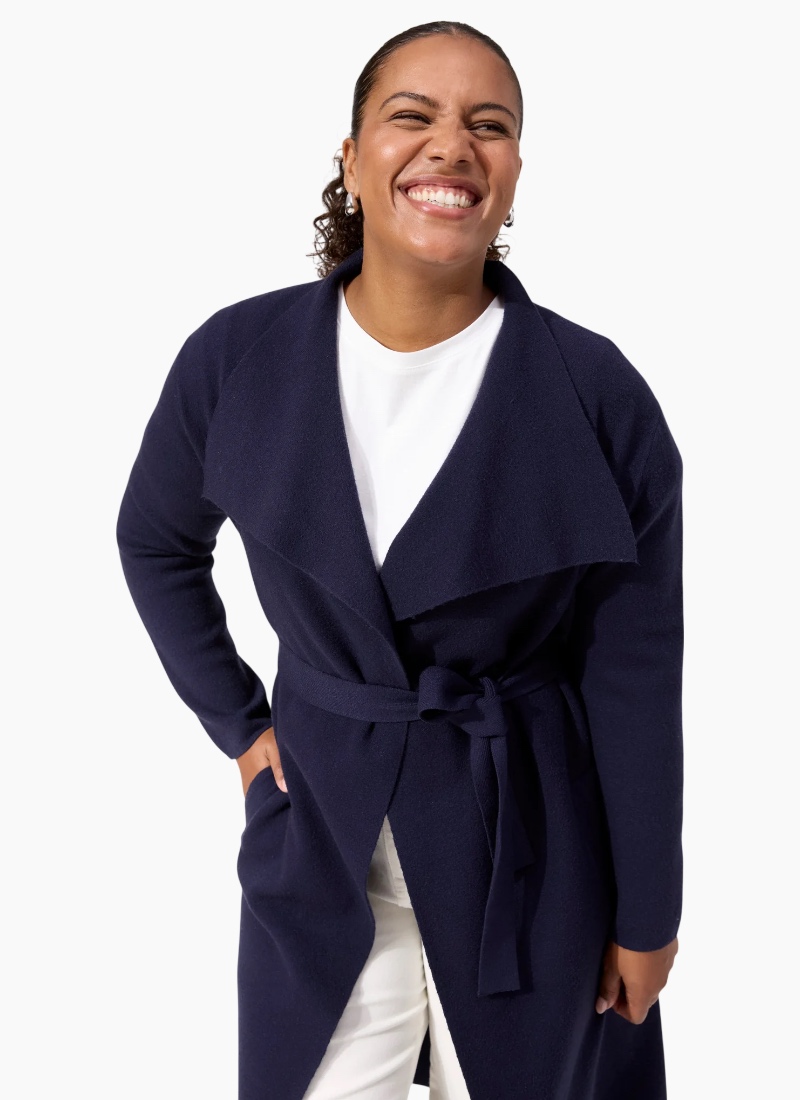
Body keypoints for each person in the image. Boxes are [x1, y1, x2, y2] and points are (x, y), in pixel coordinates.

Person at [117, 20, 683, 1100]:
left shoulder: (595, 392)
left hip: (531, 851)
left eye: (489, 125)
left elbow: (635, 671)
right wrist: (239, 725)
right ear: (351, 154)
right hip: (321, 833)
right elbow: (155, 539)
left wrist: (649, 912)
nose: (452, 145)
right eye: (411, 115)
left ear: (515, 172)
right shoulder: (237, 357)